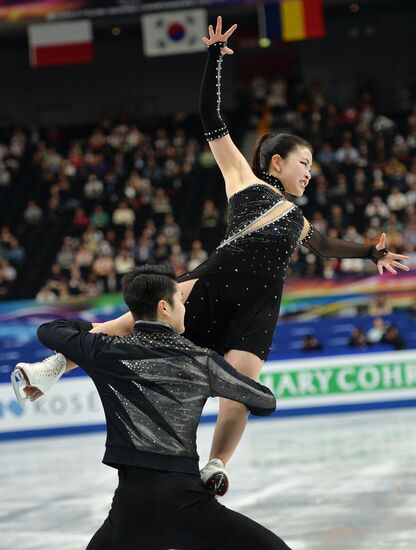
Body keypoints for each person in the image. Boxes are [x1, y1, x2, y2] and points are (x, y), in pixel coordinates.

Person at [14, 16, 411, 495]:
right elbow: (211, 119)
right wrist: (214, 60)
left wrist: (371, 252)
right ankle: (51, 366)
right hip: (212, 284)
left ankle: (215, 465)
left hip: (258, 309)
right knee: (127, 326)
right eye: (304, 164)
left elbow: (325, 245)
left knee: (237, 394)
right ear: (276, 163)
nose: (310, 174)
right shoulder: (243, 180)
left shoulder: (296, 218)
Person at [34, 264, 291, 550]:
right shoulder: (201, 361)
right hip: (186, 503)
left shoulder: (105, 351)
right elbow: (265, 401)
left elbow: (50, 330)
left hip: (129, 512)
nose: (185, 308)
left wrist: (92, 333)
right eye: (181, 301)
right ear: (164, 307)